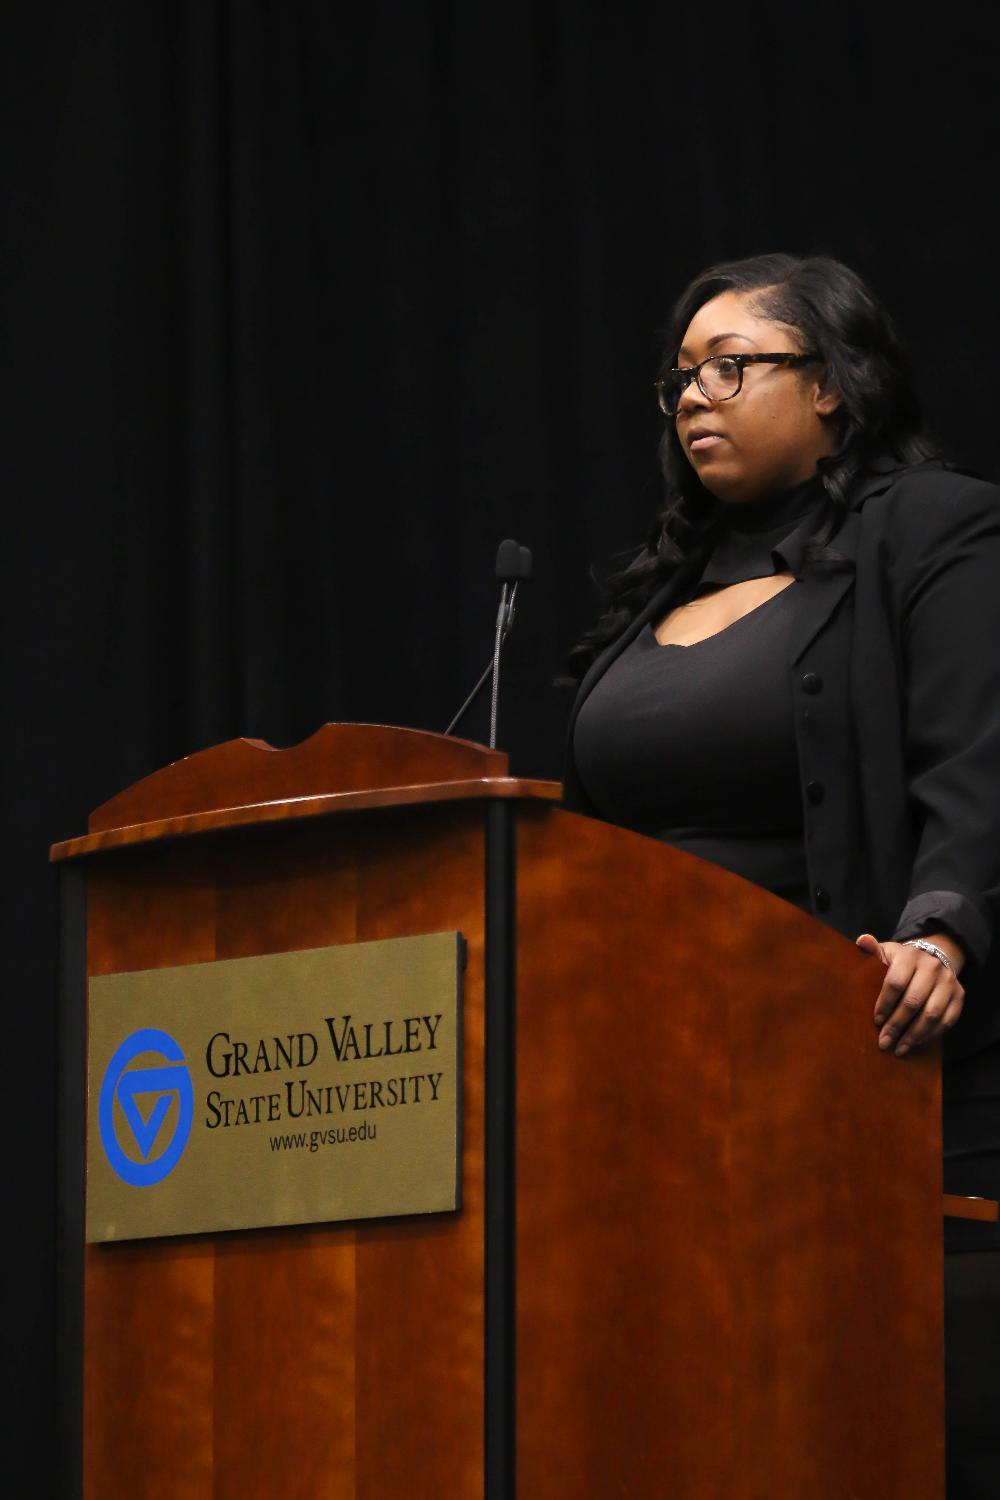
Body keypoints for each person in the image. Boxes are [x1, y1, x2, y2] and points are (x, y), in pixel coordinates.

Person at [562, 252, 1000, 1499]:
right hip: (663, 1101)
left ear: (830, 389)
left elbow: (979, 753)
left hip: (876, 1073)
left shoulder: (931, 528)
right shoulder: (663, 588)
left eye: (733, 365)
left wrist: (943, 930)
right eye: (680, 377)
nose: (695, 393)